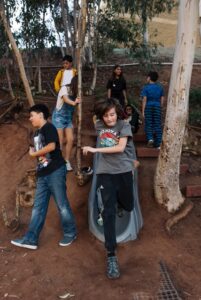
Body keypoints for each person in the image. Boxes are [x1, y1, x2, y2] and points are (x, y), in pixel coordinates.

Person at [82, 98, 138, 279]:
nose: (109, 118)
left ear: (118, 113)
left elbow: (121, 148)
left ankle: (120, 204)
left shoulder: (124, 126)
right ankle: (111, 255)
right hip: (106, 173)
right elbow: (95, 117)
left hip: (123, 171)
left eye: (112, 114)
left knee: (129, 205)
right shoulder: (99, 125)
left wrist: (95, 150)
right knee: (108, 213)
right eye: (106, 115)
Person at [11, 104, 77, 250]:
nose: (30, 119)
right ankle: (31, 239)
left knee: (62, 205)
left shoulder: (49, 128)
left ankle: (70, 232)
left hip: (55, 171)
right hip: (42, 174)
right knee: (38, 208)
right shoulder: (36, 134)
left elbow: (52, 146)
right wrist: (35, 152)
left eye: (32, 115)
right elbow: (40, 152)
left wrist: (34, 153)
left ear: (40, 115)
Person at [53, 55, 79, 171]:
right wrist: (74, 103)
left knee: (71, 139)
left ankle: (67, 160)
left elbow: (75, 104)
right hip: (58, 117)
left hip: (68, 118)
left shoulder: (76, 93)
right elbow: (66, 99)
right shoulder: (64, 89)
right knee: (60, 140)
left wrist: (78, 103)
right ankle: (58, 160)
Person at [141, 71, 164, 149]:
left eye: (147, 77)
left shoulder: (146, 88)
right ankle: (159, 143)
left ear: (149, 78)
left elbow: (144, 99)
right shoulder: (160, 88)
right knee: (157, 124)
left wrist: (143, 110)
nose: (147, 78)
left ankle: (150, 139)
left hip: (148, 106)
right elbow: (162, 99)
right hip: (157, 106)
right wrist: (160, 107)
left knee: (149, 123)